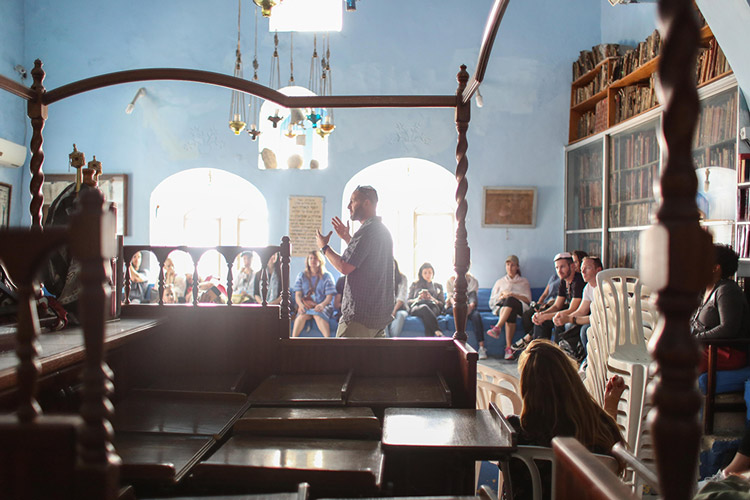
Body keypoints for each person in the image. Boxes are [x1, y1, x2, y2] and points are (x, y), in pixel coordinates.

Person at [505, 339, 624, 500]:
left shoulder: (514, 431)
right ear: (571, 379)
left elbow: (504, 470)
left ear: (527, 387)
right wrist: (610, 408)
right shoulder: (600, 429)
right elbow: (613, 467)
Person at [316, 185, 394, 338]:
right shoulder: (381, 230)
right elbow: (364, 260)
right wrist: (347, 238)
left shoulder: (367, 231)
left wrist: (324, 248)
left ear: (366, 203)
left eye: (352, 201)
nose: (348, 206)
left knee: (346, 362)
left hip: (360, 318)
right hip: (377, 318)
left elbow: (344, 267)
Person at [691, 244, 750, 373]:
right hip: (706, 348)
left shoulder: (727, 290)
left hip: (726, 352)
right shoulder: (704, 290)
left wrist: (696, 338)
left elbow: (728, 329)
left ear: (715, 268)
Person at [513, 252, 585, 352]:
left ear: (572, 266)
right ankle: (538, 353)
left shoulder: (578, 281)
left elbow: (572, 309)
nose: (559, 271)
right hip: (567, 312)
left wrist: (546, 316)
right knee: (541, 321)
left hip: (579, 316)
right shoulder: (563, 281)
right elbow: (556, 305)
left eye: (562, 267)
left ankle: (555, 356)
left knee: (556, 321)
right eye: (557, 268)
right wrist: (542, 314)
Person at [554, 255, 603, 362]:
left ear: (598, 270)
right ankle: (568, 357)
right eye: (581, 269)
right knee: (568, 324)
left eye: (588, 268)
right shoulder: (588, 287)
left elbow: (598, 318)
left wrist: (570, 318)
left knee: (585, 329)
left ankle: (590, 361)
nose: (583, 272)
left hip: (607, 322)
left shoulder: (604, 287)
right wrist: (564, 317)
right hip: (595, 319)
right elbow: (581, 311)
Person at [487, 255, 532, 360]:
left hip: (520, 307)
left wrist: (512, 294)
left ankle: (497, 327)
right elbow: (492, 301)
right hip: (504, 309)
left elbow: (528, 300)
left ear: (517, 267)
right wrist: (502, 296)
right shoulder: (500, 282)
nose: (510, 267)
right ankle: (508, 348)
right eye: (508, 265)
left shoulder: (524, 281)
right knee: (509, 307)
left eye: (512, 265)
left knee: (511, 300)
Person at [292, 250, 337, 338]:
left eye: (315, 258)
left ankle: (328, 343)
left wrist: (321, 305)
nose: (312, 260)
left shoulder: (327, 276)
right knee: (301, 317)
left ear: (320, 261)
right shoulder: (301, 275)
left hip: (323, 305)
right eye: (311, 258)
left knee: (317, 316)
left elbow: (329, 297)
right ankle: (292, 341)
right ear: (308, 261)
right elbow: (298, 295)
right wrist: (300, 305)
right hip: (306, 305)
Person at [445, 269, 486, 358]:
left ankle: (482, 347)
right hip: (454, 306)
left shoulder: (473, 281)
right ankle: (455, 345)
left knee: (476, 316)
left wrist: (470, 307)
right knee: (456, 312)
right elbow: (450, 297)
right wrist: (457, 307)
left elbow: (473, 296)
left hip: (469, 306)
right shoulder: (450, 280)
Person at [407, 262, 445, 337]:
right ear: (421, 274)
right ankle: (437, 330)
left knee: (429, 314)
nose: (428, 275)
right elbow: (408, 301)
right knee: (424, 307)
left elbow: (442, 304)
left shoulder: (438, 286)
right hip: (418, 307)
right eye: (425, 273)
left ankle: (428, 344)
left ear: (433, 273)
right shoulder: (415, 284)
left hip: (433, 306)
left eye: (430, 272)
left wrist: (432, 298)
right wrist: (417, 299)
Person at [386, 260, 409, 338]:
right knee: (381, 318)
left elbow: (401, 297)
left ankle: (393, 340)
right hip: (386, 309)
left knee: (401, 316)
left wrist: (394, 311)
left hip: (400, 308)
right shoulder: (382, 278)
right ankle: (387, 341)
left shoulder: (402, 278)